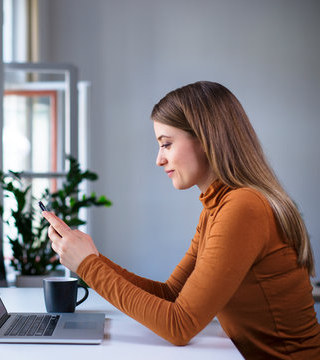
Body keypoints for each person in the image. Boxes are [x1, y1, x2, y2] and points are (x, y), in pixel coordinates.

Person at [42, 81, 320, 359]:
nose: (159, 159)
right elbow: (173, 293)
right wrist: (91, 257)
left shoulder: (242, 207)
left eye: (166, 144)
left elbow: (179, 325)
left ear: (205, 139)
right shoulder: (218, 206)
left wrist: (89, 266)